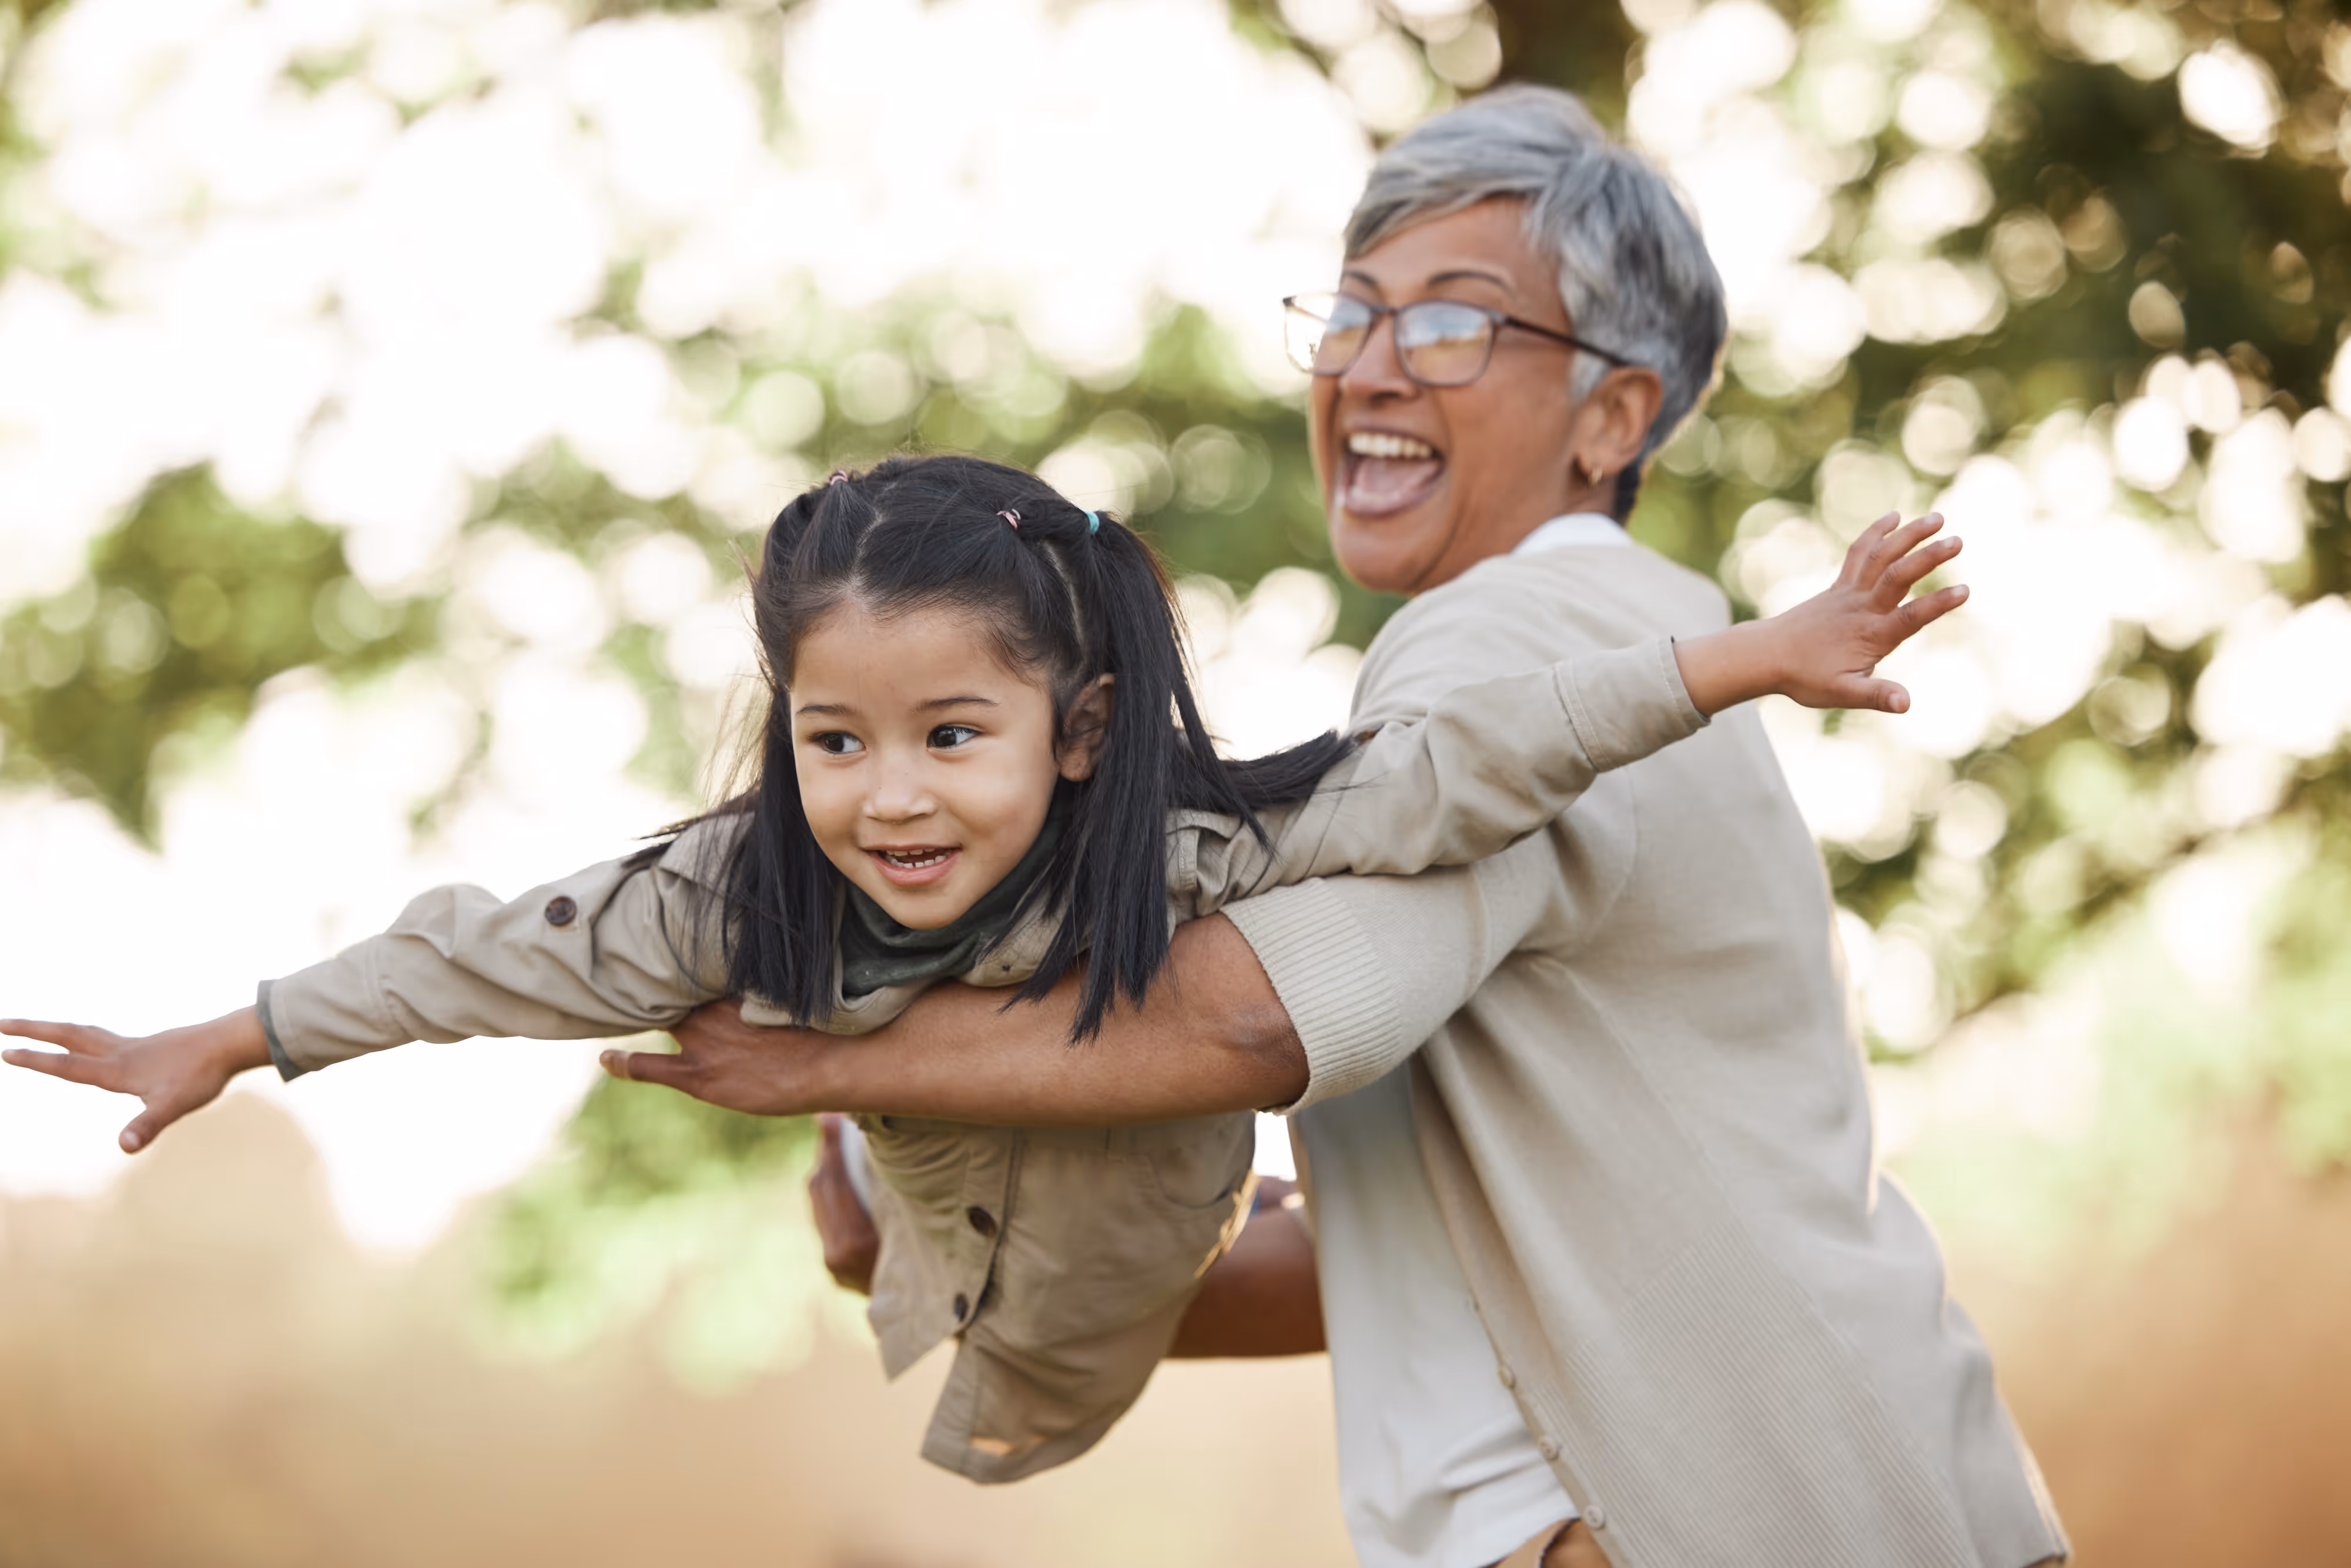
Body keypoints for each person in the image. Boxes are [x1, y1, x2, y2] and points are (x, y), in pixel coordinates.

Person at [600, 88, 2069, 1568]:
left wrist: (837, 1062)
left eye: (1450, 324)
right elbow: (1378, 1262)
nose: (1371, 367)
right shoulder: (1622, 640)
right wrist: (940, 1248)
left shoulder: (1509, 633)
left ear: (1611, 416)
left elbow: (1249, 1022)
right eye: (1352, 314)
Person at [1, 451, 1958, 1486]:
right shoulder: (740, 897)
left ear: (1077, 729)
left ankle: (1176, 1193)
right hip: (960, 1233)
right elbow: (484, 958)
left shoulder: (1190, 846)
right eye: (836, 738)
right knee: (874, 1253)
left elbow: (1453, 771)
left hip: (1146, 1219)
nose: (888, 794)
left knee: (1137, 1279)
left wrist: (1739, 654)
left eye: (953, 733)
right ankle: (868, 1172)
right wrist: (238, 1032)